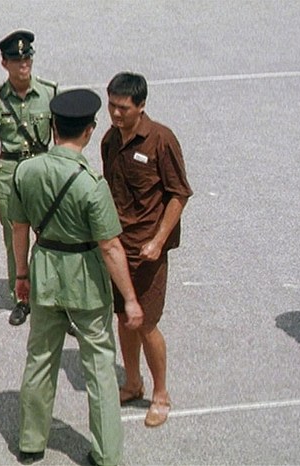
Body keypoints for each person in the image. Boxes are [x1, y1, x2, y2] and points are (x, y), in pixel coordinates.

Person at [8, 88, 144, 466]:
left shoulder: (25, 171)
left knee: (39, 358)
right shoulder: (91, 183)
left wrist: (21, 274)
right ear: (89, 130)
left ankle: (31, 443)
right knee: (99, 367)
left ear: (54, 127)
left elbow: (19, 227)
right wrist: (130, 298)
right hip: (85, 278)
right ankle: (106, 454)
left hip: (45, 271)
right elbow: (110, 247)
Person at [101, 72, 193, 427]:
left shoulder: (161, 140)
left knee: (147, 323)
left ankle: (160, 394)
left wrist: (157, 241)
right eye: (111, 105)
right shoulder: (110, 140)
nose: (115, 113)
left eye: (123, 108)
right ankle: (132, 382)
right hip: (117, 247)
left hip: (147, 252)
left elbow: (179, 194)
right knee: (125, 317)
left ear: (141, 106)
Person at [0, 29, 56, 327]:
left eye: (27, 59)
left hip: (42, 172)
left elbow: (61, 138)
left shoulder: (49, 93)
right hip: (9, 176)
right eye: (17, 60)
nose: (24, 65)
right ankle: (22, 298)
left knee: (51, 237)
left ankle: (52, 299)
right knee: (15, 239)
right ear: (4, 63)